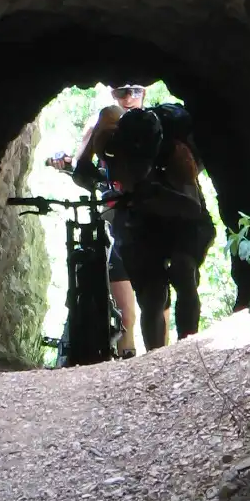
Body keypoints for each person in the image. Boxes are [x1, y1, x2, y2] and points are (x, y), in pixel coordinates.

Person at [46, 83, 149, 355]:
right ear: (111, 94)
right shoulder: (98, 126)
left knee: (152, 300)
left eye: (134, 91)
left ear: (144, 94)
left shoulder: (153, 126)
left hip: (145, 223)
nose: (128, 97)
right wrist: (66, 163)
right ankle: (125, 362)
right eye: (120, 92)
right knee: (127, 315)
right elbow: (82, 168)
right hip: (114, 219)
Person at [105, 104, 215, 351]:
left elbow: (192, 208)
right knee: (153, 295)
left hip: (183, 220)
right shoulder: (112, 151)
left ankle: (188, 347)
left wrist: (156, 193)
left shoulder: (177, 155)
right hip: (140, 223)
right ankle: (156, 357)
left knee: (183, 270)